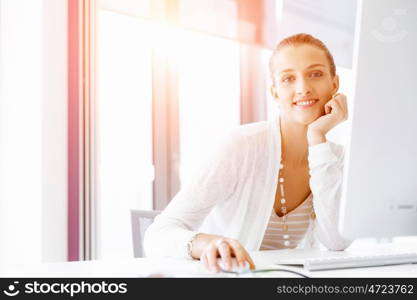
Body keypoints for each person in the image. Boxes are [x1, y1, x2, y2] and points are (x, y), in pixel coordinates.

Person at [144, 33, 352, 273]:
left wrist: (317, 138)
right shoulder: (241, 146)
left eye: (315, 74)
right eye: (288, 78)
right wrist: (208, 243)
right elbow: (158, 233)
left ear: (334, 84)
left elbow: (336, 241)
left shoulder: (334, 158)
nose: (303, 88)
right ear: (274, 92)